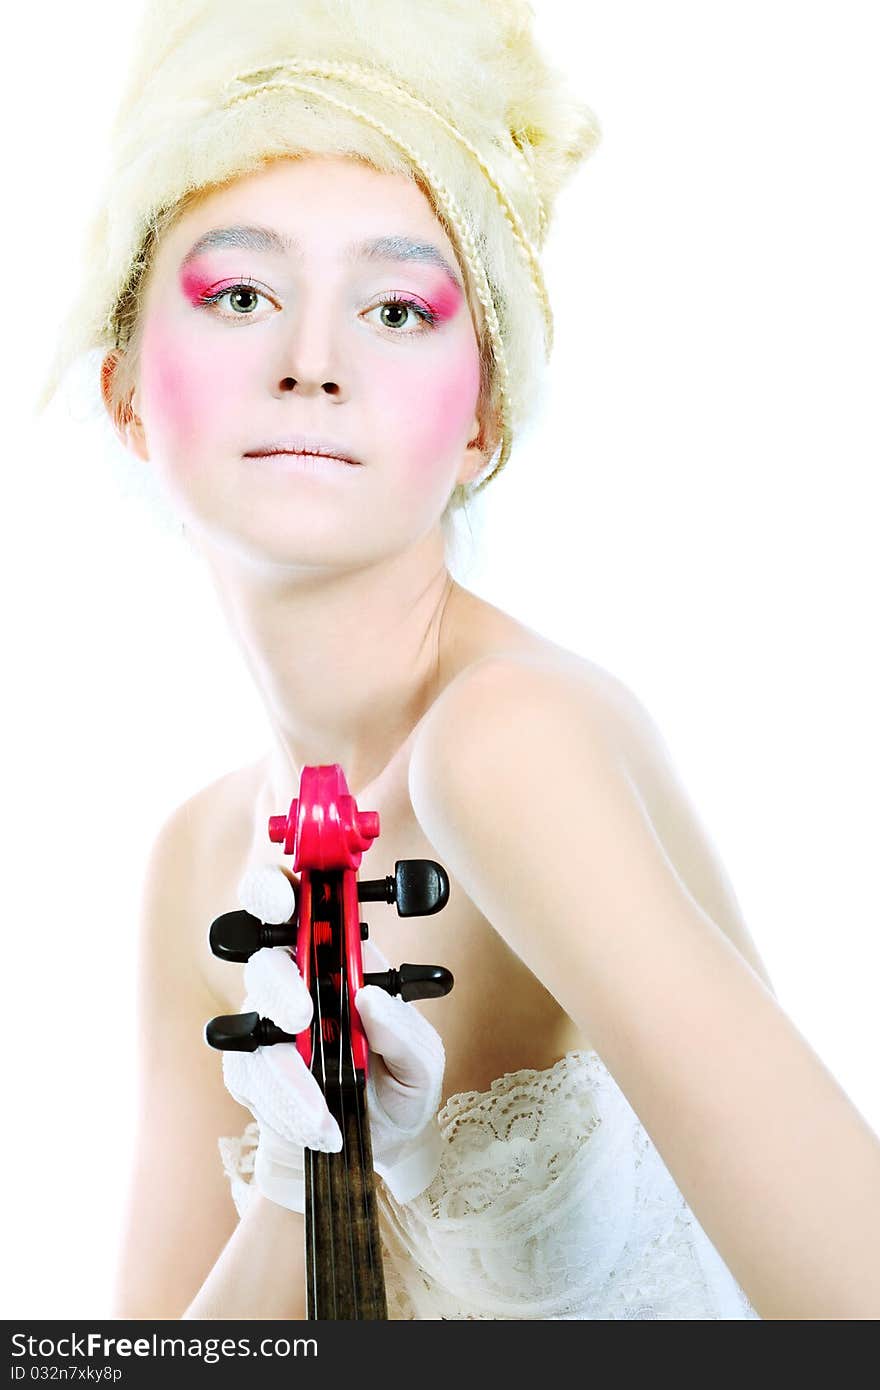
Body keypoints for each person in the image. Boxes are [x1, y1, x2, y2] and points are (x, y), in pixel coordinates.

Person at [39, 0, 880, 1321]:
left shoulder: (505, 748)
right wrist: (304, 1181)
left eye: (393, 308)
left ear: (483, 416)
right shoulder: (197, 858)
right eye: (244, 293)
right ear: (127, 389)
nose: (312, 364)